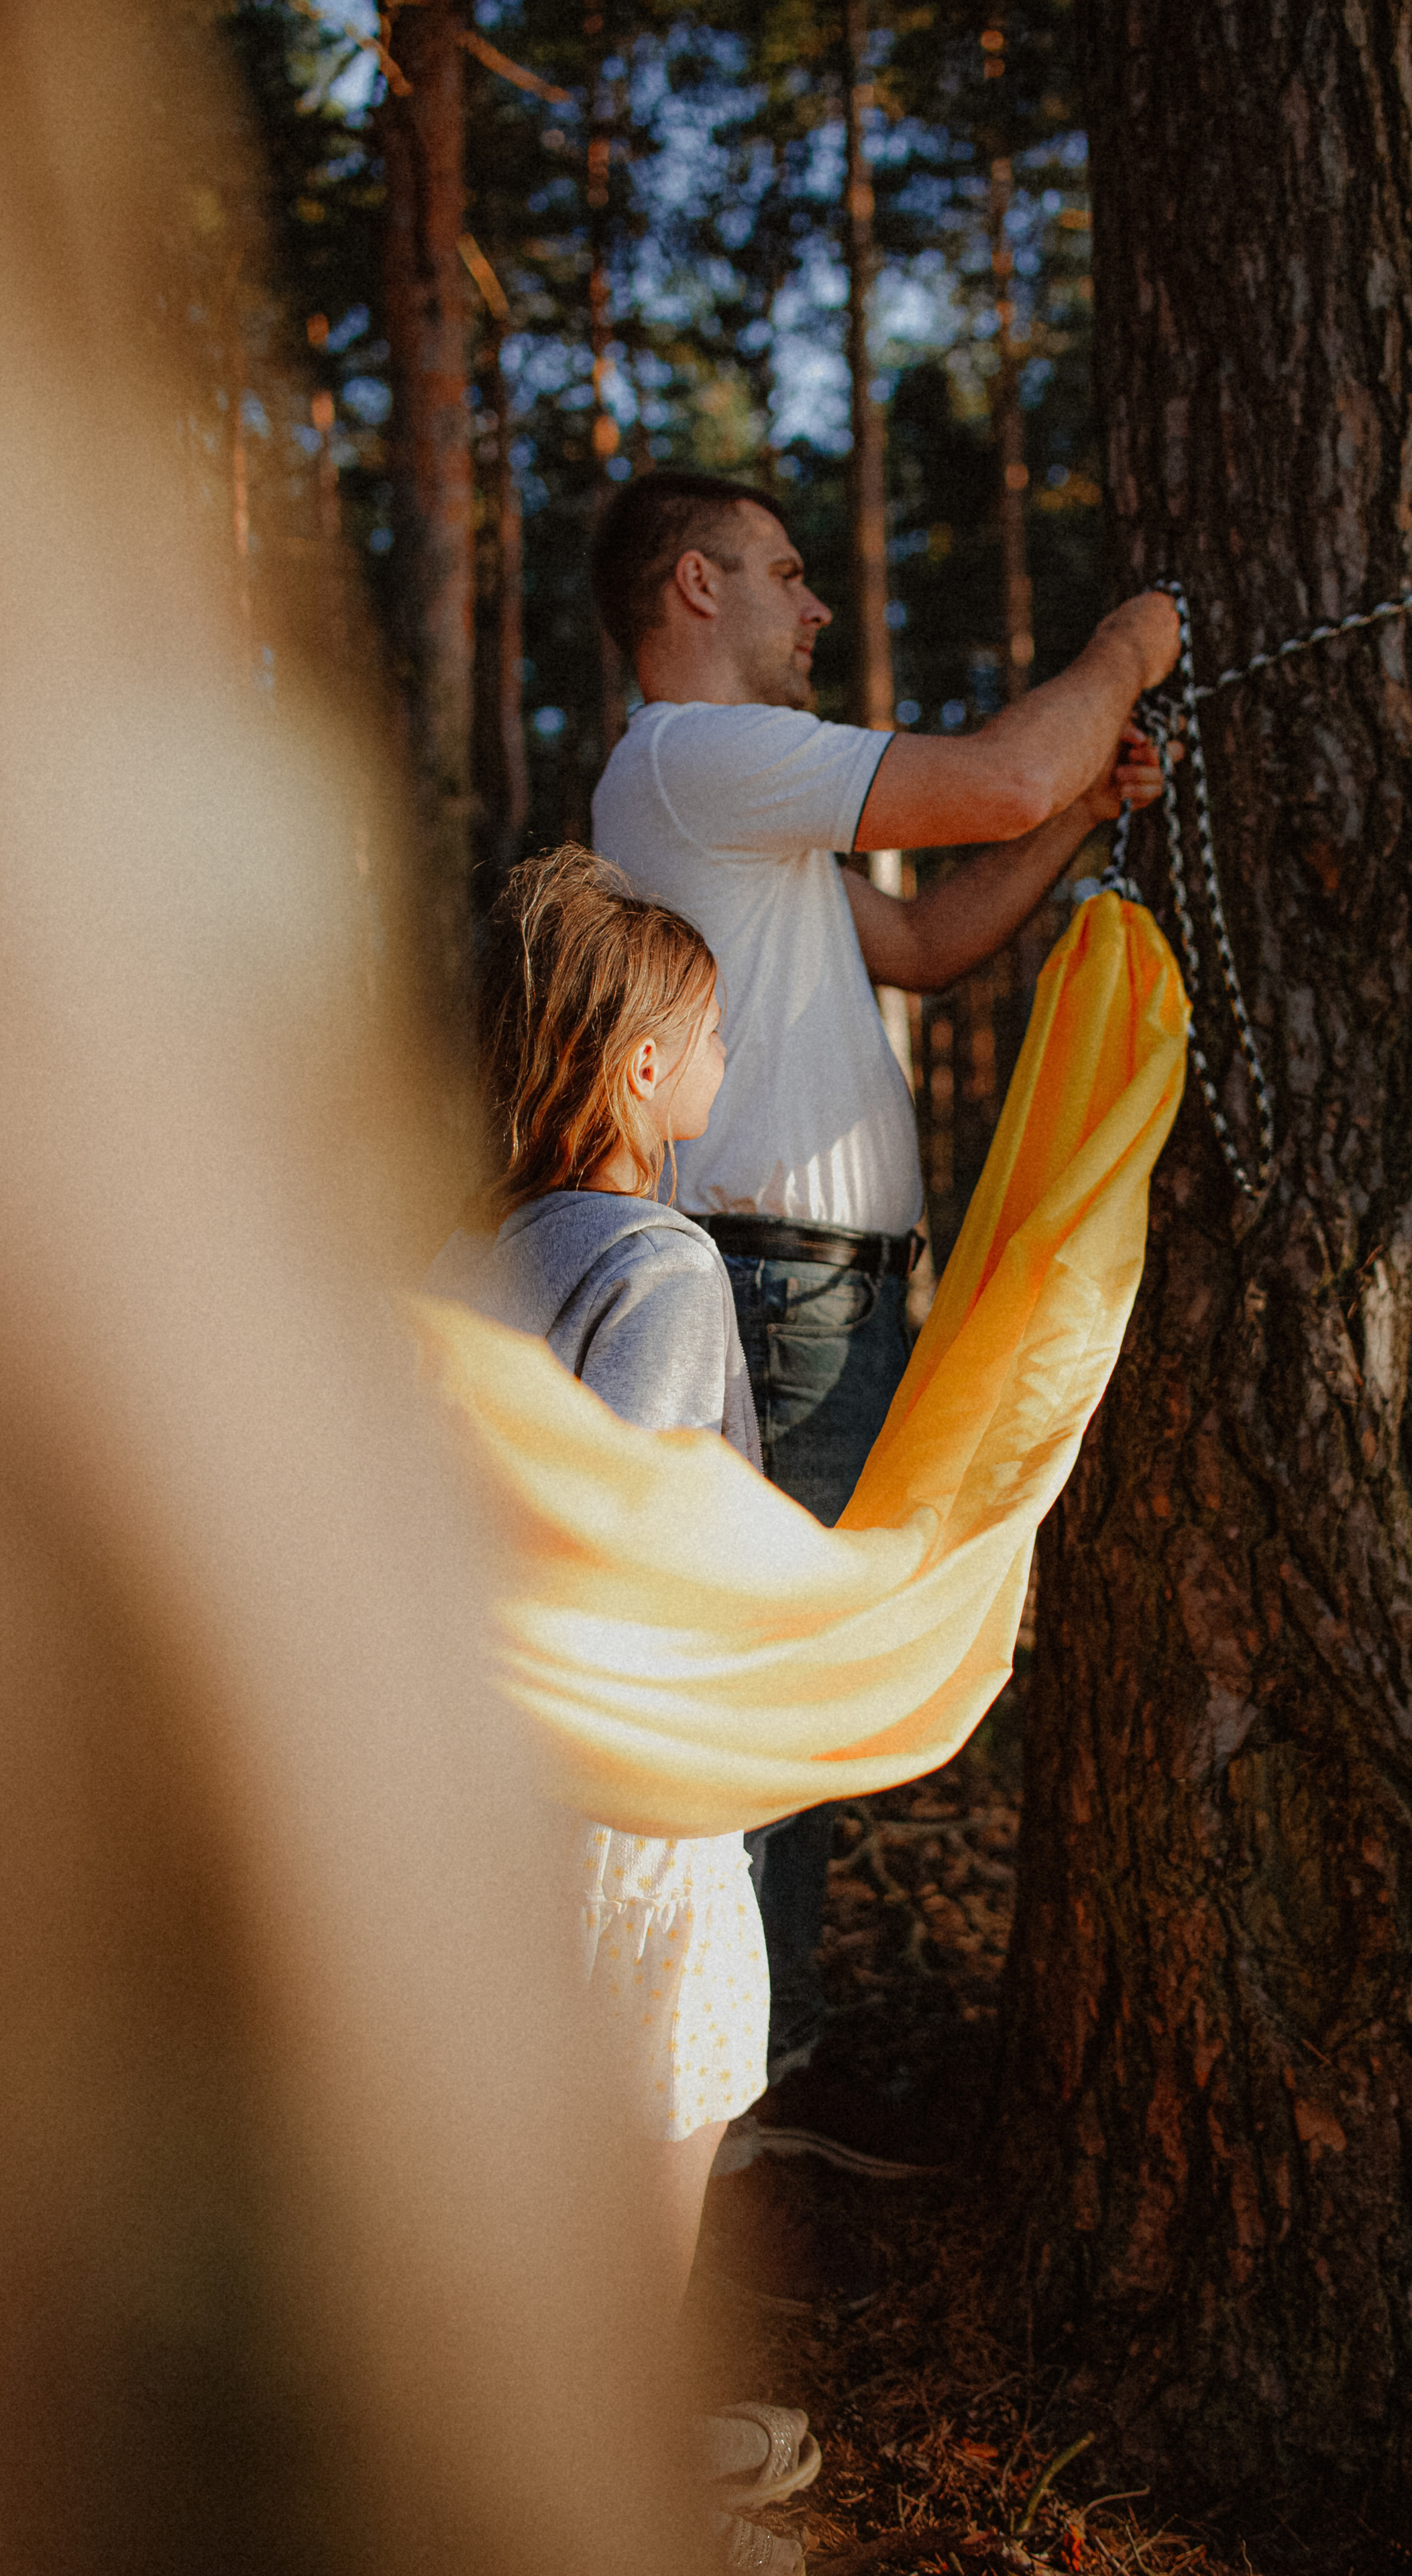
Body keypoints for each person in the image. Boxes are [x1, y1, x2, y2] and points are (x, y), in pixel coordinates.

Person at [587, 468, 1181, 2178]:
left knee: (784, 1701)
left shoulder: (726, 808)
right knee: (769, 1706)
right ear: (694, 588)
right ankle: (731, 2096)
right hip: (775, 1291)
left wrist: (1073, 821)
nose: (818, 606)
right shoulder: (695, 755)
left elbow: (922, 940)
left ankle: (757, 2072)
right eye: (786, 573)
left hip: (813, 1293)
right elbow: (995, 772)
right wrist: (1125, 650)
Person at [425, 847, 821, 2576]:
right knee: (660, 2101)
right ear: (641, 1066)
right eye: (713, 1034)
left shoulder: (462, 1246)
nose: (725, 1067)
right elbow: (632, 1520)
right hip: (622, 1787)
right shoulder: (654, 1262)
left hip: (463, 1775)